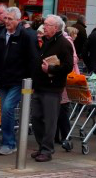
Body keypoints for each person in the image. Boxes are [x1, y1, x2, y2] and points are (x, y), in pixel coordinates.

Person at [0, 6, 37, 155]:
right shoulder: (1, 34)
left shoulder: (26, 36)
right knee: (4, 110)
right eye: (5, 18)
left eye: (10, 19)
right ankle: (7, 140)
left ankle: (9, 143)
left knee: (8, 108)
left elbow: (33, 60)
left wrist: (32, 81)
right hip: (3, 79)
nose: (6, 21)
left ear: (18, 20)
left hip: (18, 80)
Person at [30, 15, 73, 162]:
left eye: (47, 24)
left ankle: (47, 150)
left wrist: (51, 68)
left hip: (53, 87)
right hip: (39, 85)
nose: (44, 26)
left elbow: (68, 66)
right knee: (36, 118)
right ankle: (42, 146)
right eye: (44, 24)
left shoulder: (64, 44)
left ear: (56, 28)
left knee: (50, 120)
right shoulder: (46, 41)